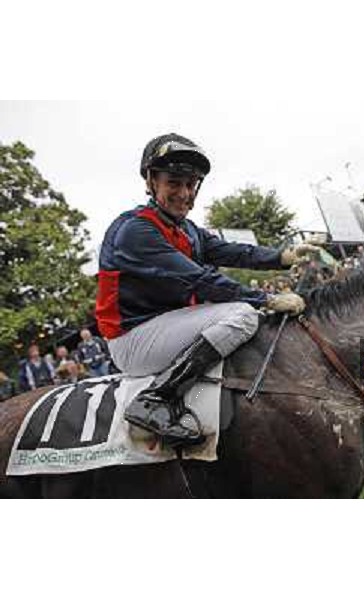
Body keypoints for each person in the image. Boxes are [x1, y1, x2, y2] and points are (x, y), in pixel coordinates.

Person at [96, 133, 317, 446]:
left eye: (190, 184)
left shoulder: (187, 230)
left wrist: (284, 255)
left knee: (243, 314)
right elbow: (201, 280)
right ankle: (156, 400)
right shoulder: (135, 230)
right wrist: (266, 299)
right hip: (131, 339)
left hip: (164, 327)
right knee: (242, 315)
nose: (184, 193)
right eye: (174, 182)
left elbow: (234, 252)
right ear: (151, 181)